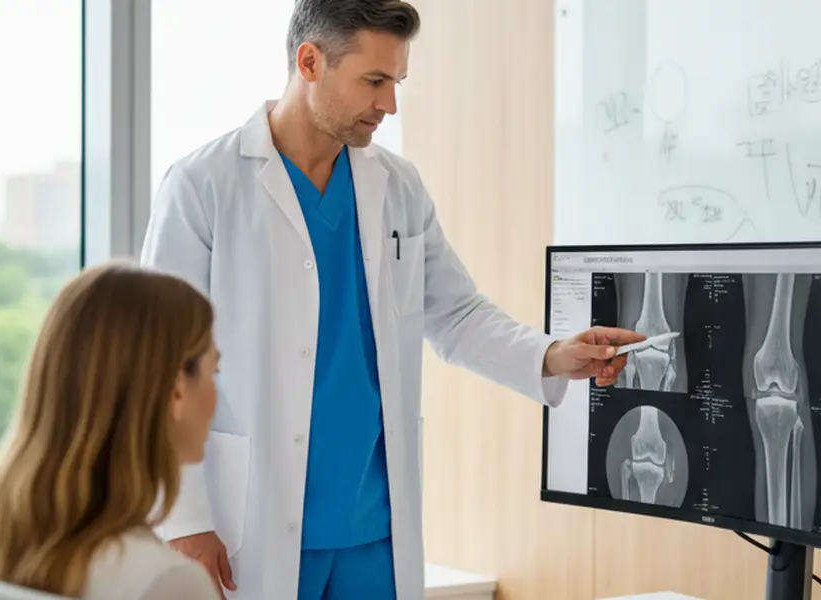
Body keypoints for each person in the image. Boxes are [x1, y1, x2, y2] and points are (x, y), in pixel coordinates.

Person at [139, 1, 645, 598]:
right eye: (373, 81)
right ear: (310, 62)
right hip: (250, 521)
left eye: (396, 83)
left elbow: (455, 313)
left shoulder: (397, 186)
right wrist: (186, 519)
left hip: (372, 525)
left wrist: (553, 355)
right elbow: (157, 362)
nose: (389, 104)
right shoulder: (204, 186)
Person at [0, 262, 223, 599]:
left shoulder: (14, 549)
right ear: (177, 388)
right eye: (213, 371)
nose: (215, 396)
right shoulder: (167, 583)